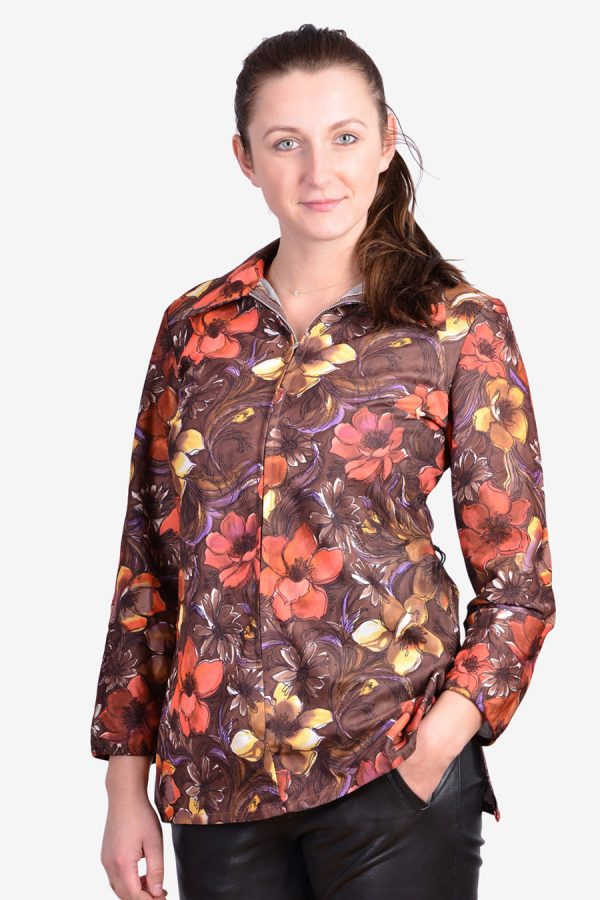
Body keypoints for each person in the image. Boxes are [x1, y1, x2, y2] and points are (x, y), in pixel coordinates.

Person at [91, 23, 556, 900]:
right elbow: (147, 567)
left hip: (390, 777)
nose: (318, 172)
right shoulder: (194, 331)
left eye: (344, 137)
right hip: (215, 786)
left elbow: (519, 584)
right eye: (285, 143)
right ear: (245, 158)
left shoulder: (457, 326)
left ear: (385, 142)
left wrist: (434, 749)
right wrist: (125, 787)